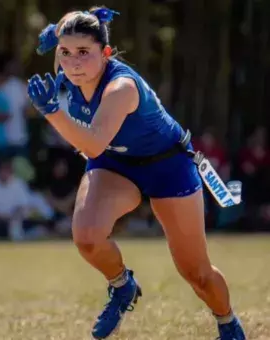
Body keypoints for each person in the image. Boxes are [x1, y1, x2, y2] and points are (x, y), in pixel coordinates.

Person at [28, 7, 246, 340]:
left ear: (106, 53)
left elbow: (94, 144)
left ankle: (227, 322)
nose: (72, 62)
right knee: (86, 235)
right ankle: (122, 285)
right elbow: (74, 27)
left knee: (197, 273)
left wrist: (53, 113)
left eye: (83, 53)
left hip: (167, 165)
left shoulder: (121, 88)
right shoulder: (68, 68)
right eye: (65, 52)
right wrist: (58, 28)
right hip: (116, 164)